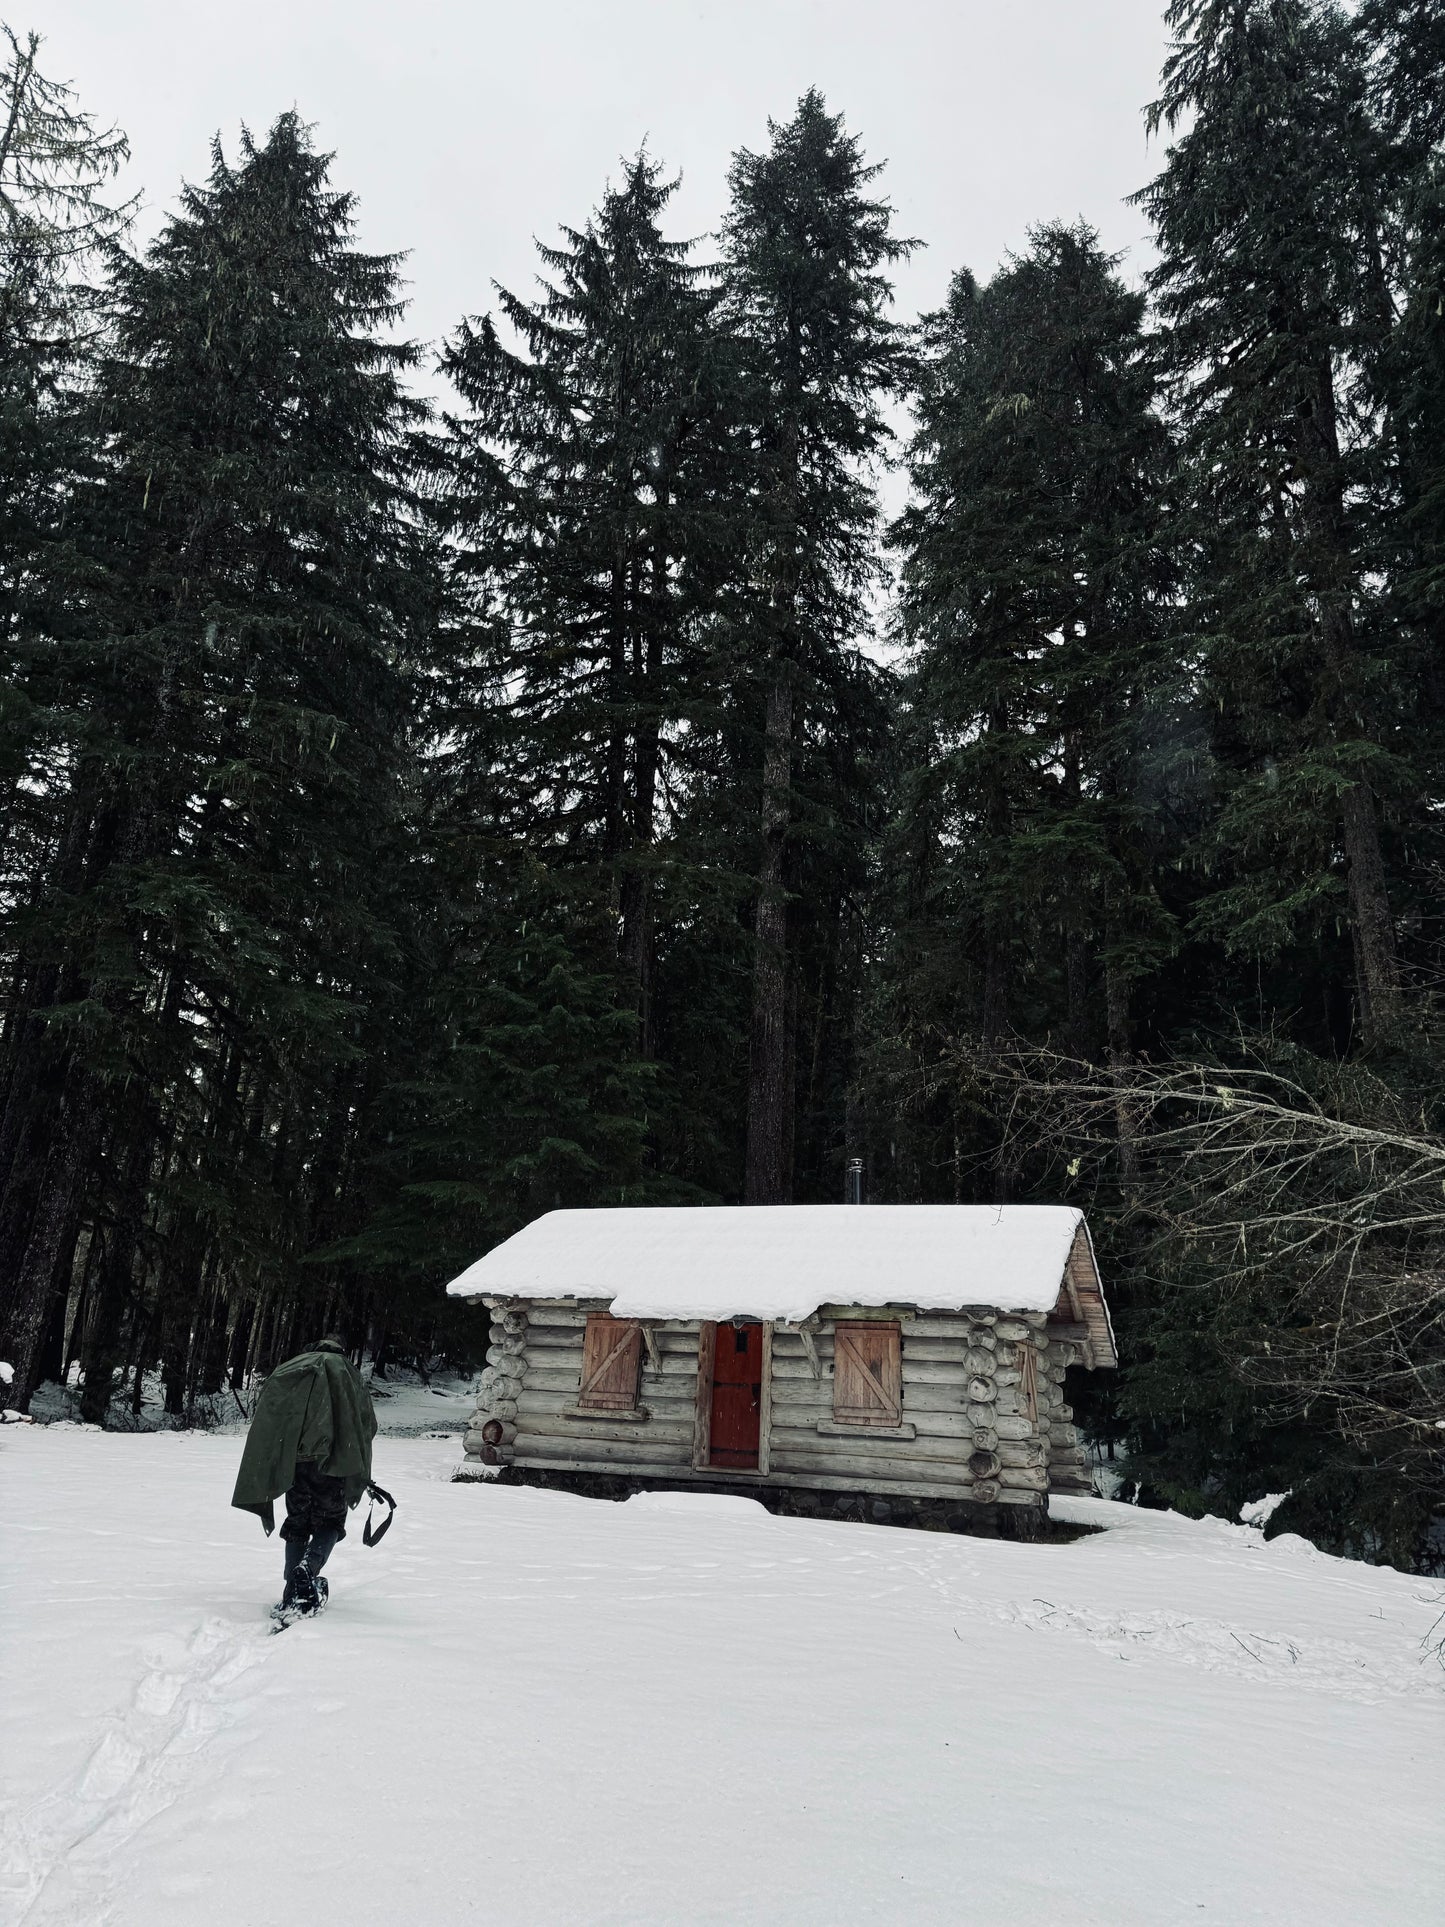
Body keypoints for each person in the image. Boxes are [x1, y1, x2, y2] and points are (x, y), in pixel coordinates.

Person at [231, 1334, 379, 1617]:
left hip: (294, 1461)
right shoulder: (349, 1374)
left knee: (297, 1522)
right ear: (342, 1350)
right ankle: (308, 1568)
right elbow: (367, 1423)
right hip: (333, 1462)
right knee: (331, 1521)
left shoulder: (294, 1368)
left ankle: (290, 1592)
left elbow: (274, 1410)